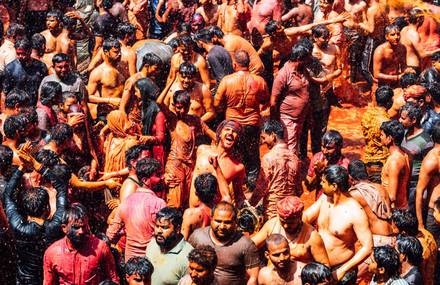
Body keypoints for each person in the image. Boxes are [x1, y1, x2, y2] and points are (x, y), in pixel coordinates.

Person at [3, 144, 68, 284]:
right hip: (49, 279)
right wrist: (36, 164)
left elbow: (7, 194)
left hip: (24, 281)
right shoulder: (55, 226)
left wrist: (22, 167)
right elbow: (61, 188)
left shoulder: (17, 226)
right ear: (47, 208)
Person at [303, 165, 373, 282]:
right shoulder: (324, 199)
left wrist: (343, 270)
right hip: (319, 266)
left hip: (341, 267)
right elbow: (306, 217)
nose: (321, 184)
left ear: (334, 186)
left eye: (324, 182)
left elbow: (368, 247)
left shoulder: (355, 212)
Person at [214, 49, 268, 188]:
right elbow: (265, 100)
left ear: (234, 64)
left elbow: (216, 103)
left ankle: (235, 185)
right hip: (252, 123)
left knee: (233, 154)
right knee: (253, 156)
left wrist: (227, 107)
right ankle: (251, 186)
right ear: (248, 64)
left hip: (233, 124)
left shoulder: (227, 81)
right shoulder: (259, 81)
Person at [157, 86, 216, 208]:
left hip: (191, 165)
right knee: (175, 204)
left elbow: (212, 134)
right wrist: (171, 80)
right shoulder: (172, 119)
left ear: (189, 105)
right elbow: (159, 102)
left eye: (185, 107)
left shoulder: (195, 120)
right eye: (178, 107)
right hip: (175, 165)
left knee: (187, 203)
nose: (182, 111)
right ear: (174, 105)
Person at [252, 196, 330, 281]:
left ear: (300, 217)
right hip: (274, 280)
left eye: (291, 223)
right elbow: (249, 246)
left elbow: (325, 268)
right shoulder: (272, 225)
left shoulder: (312, 236)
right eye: (282, 221)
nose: (285, 226)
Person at [43, 203, 120, 284]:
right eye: (76, 227)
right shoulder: (53, 253)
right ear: (64, 228)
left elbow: (113, 279)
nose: (81, 231)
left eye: (83, 227)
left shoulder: (101, 247)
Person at [107, 157, 166, 261]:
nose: (162, 177)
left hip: (131, 262)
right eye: (158, 175)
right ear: (145, 180)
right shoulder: (159, 204)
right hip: (153, 260)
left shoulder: (125, 203)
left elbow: (110, 235)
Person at [188, 201, 260, 285]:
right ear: (211, 219)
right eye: (218, 221)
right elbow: (187, 265)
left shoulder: (246, 244)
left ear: (235, 222)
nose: (222, 226)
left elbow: (253, 277)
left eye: (227, 222)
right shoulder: (198, 237)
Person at [250, 119, 300, 219]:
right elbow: (298, 190)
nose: (263, 141)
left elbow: (261, 188)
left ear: (273, 136)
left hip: (272, 212)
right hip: (290, 212)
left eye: (264, 137)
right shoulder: (295, 158)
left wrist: (251, 205)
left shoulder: (269, 158)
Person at [188, 120, 244, 208]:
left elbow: (239, 196)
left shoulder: (237, 167)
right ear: (219, 134)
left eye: (234, 131)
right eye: (227, 129)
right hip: (193, 211)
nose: (230, 133)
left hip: (213, 216)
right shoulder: (202, 150)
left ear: (238, 138)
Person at [271, 40, 312, 155]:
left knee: (295, 149)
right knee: (290, 152)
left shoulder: (302, 70)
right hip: (287, 120)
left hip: (300, 119)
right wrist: (276, 123)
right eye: (307, 57)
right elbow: (273, 102)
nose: (310, 59)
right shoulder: (283, 74)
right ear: (299, 59)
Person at [399, 102, 433, 213]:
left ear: (413, 120)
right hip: (402, 182)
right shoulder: (403, 133)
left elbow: (429, 168)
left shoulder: (426, 141)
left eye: (403, 118)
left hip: (415, 186)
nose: (399, 120)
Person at [146, 207, 194, 285]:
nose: (159, 231)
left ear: (177, 229)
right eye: (157, 226)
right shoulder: (152, 244)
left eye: (164, 227)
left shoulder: (188, 257)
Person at [391, 209, 437, 285]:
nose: (393, 230)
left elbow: (422, 274)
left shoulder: (418, 249)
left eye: (394, 228)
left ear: (404, 233)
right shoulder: (424, 232)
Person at [87, 38, 125, 121]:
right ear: (106, 52)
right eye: (115, 52)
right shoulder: (98, 73)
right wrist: (109, 100)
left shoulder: (122, 68)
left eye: (119, 51)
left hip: (122, 111)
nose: (119, 54)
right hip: (106, 114)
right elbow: (88, 97)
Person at [361, 85, 392, 182]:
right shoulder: (385, 121)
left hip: (367, 158)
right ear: (388, 102)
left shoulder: (367, 114)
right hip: (380, 162)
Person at [3, 38, 48, 105]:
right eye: (18, 54)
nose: (21, 56)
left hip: (35, 105)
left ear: (30, 51)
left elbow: (44, 88)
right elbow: (5, 92)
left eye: (23, 54)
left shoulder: (40, 67)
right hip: (17, 106)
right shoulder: (10, 68)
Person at [380, 120, 410, 209]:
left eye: (382, 135)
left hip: (394, 210)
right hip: (402, 207)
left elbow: (392, 196)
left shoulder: (394, 161)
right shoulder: (405, 154)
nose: (380, 137)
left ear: (389, 138)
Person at [400, 8, 440, 74]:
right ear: (418, 19)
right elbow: (422, 54)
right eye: (423, 18)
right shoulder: (414, 34)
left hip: (404, 66)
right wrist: (437, 50)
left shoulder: (404, 30)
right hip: (413, 67)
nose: (423, 20)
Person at [194, 28, 233, 93]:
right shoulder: (220, 48)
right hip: (231, 82)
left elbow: (221, 78)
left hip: (226, 88)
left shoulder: (211, 55)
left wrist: (215, 92)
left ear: (200, 42)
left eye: (197, 42)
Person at [182, 174, 221, 240]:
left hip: (196, 248)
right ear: (216, 192)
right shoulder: (221, 212)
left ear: (196, 193)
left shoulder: (190, 214)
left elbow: (184, 240)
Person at [373, 24, 408, 89]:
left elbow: (403, 66)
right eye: (392, 35)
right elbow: (376, 74)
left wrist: (407, 70)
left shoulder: (402, 48)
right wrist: (396, 78)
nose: (396, 37)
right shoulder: (380, 51)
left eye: (398, 34)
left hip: (396, 84)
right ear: (386, 37)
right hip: (382, 86)